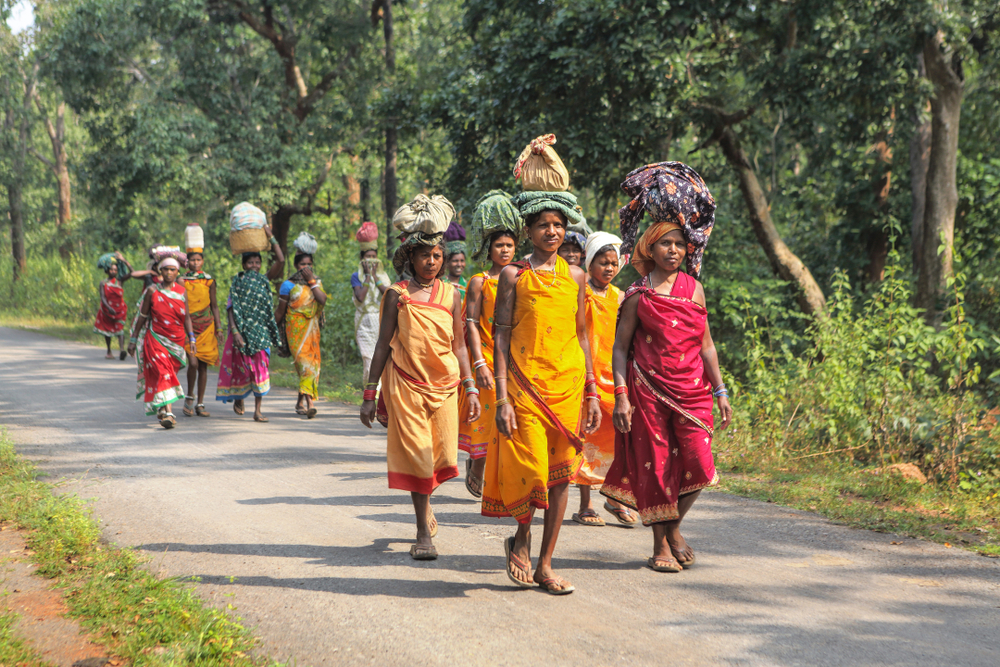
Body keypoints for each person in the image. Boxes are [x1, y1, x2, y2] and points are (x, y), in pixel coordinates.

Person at [601, 162, 733, 572]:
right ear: (649, 249)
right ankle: (661, 545)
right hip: (647, 391)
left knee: (700, 463)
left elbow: (707, 346)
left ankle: (673, 527)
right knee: (656, 466)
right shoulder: (638, 294)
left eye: (679, 244)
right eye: (665, 244)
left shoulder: (695, 290)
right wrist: (620, 396)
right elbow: (620, 349)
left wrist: (721, 390)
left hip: (692, 389)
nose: (674, 250)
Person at [482, 189, 601, 595]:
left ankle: (546, 564)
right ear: (529, 231)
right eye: (543, 225)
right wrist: (500, 397)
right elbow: (500, 337)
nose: (552, 231)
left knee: (562, 477)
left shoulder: (578, 277)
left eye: (558, 225)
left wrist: (591, 391)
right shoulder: (515, 275)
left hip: (567, 387)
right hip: (524, 386)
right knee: (531, 469)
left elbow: (583, 336)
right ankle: (521, 537)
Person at [360, 198, 480, 561]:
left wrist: (470, 386)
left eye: (437, 255)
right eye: (425, 254)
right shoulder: (396, 296)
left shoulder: (452, 296)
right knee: (418, 457)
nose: (432, 261)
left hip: (444, 387)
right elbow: (382, 345)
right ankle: (421, 532)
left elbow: (459, 346)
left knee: (441, 455)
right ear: (410, 258)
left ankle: (426, 502)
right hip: (405, 385)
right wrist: (370, 392)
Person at [572, 232, 638, 527]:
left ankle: (614, 498)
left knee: (618, 440)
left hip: (615, 376)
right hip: (586, 374)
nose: (609, 268)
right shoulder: (580, 291)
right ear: (590, 263)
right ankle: (586, 505)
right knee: (589, 438)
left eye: (613, 263)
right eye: (602, 262)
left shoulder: (621, 297)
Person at [460, 190, 520, 498]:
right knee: (486, 415)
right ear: (490, 248)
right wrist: (478, 363)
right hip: (485, 355)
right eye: (500, 245)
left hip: (514, 359)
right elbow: (469, 323)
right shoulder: (479, 281)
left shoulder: (521, 278)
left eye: (510, 245)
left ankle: (501, 476)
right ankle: (478, 464)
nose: (505, 250)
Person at [216, 222, 284, 422]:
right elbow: (231, 308)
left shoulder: (264, 280)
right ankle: (239, 396)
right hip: (242, 332)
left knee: (260, 369)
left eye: (257, 262)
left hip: (261, 332)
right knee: (243, 368)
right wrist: (235, 331)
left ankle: (258, 410)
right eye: (250, 263)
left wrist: (271, 237)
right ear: (244, 265)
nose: (254, 266)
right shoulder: (237, 282)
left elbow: (280, 260)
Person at [127, 257, 194, 429]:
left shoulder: (181, 291)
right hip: (156, 338)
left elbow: (186, 317)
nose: (169, 273)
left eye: (173, 270)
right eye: (166, 269)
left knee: (168, 374)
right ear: (160, 272)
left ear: (177, 272)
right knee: (164, 372)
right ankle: (169, 414)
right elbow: (143, 316)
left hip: (177, 341)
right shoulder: (152, 291)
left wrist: (191, 337)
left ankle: (162, 406)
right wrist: (134, 339)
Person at [276, 233, 327, 418]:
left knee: (313, 366)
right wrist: (271, 330)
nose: (305, 268)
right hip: (295, 330)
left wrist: (312, 282)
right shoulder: (288, 285)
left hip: (312, 330)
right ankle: (310, 403)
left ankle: (300, 401)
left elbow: (322, 300)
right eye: (302, 265)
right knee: (305, 366)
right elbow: (280, 312)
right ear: (296, 265)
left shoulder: (316, 283)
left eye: (308, 265)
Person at [182, 250, 222, 417]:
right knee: (192, 363)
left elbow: (214, 305)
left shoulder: (209, 281)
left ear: (203, 261)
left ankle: (200, 403)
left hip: (207, 326)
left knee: (203, 365)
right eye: (193, 260)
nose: (196, 263)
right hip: (188, 326)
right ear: (187, 262)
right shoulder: (182, 281)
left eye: (199, 260)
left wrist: (219, 327)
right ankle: (189, 396)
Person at [352, 222, 391, 389]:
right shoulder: (356, 276)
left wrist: (376, 277)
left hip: (381, 321)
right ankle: (371, 394)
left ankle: (379, 398)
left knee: (382, 360)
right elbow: (360, 297)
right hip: (363, 322)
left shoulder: (383, 275)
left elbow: (388, 295)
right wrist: (368, 277)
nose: (371, 260)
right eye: (368, 257)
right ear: (362, 258)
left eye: (373, 256)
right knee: (368, 360)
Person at [94, 252, 152, 360]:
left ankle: (121, 350)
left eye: (115, 270)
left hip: (119, 310)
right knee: (108, 330)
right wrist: (108, 307)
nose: (114, 272)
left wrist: (124, 260)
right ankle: (109, 351)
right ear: (107, 270)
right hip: (107, 310)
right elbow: (102, 297)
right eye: (111, 270)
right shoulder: (103, 283)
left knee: (120, 329)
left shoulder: (120, 281)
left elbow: (133, 273)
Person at [443, 220, 469, 300]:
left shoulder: (468, 285)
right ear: (447, 262)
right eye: (455, 261)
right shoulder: (441, 284)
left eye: (462, 261)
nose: (459, 264)